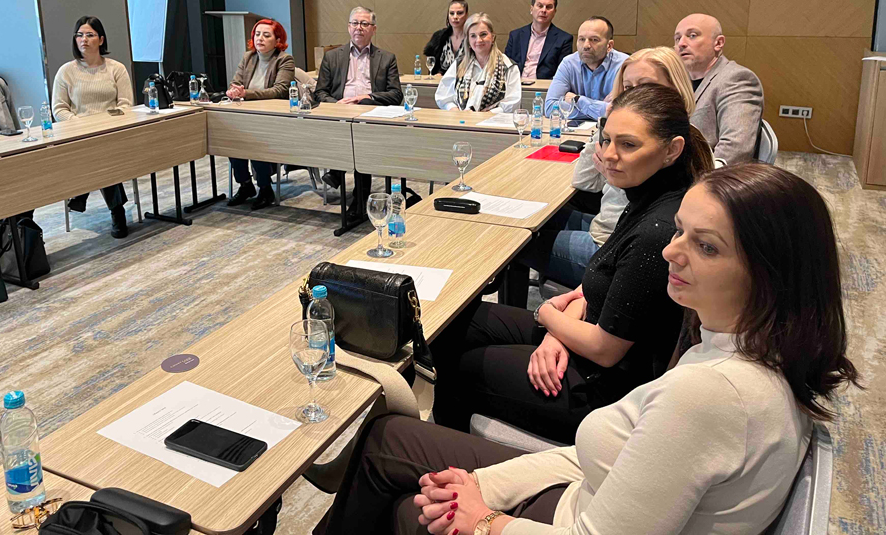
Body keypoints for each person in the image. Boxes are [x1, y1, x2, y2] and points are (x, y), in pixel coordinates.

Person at [316, 163, 859, 535]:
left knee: (407, 506)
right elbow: (613, 457)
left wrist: (485, 521)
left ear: (768, 275)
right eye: (679, 232)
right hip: (585, 493)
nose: (671, 252)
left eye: (706, 247)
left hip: (578, 512)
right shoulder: (750, 351)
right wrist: (484, 484)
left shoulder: (711, 395)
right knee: (391, 438)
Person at [429, 85, 714, 442]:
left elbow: (605, 350)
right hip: (591, 336)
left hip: (608, 389)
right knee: (456, 323)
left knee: (458, 369)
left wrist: (549, 315)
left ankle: (450, 455)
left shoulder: (656, 229)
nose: (609, 155)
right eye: (606, 140)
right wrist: (558, 332)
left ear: (672, 150)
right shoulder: (648, 196)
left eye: (628, 145)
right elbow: (597, 287)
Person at [529, 47, 697, 288]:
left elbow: (642, 235)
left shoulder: (665, 146)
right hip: (607, 227)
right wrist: (607, 126)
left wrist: (609, 168)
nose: (635, 95)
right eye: (628, 88)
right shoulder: (628, 131)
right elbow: (583, 181)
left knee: (518, 243)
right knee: (538, 217)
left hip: (611, 244)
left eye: (647, 86)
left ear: (675, 90)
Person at [315, 6, 402, 217]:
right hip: (339, 114)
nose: (359, 28)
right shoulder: (332, 57)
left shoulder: (386, 58)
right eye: (355, 23)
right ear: (348, 27)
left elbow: (395, 94)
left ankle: (351, 188)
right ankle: (353, 191)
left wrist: (365, 98)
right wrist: (336, 104)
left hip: (370, 115)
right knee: (351, 133)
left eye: (364, 24)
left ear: (374, 29)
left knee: (360, 135)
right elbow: (320, 92)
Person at [52, 16, 134, 238]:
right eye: (79, 35)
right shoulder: (66, 71)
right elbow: (59, 109)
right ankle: (117, 210)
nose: (84, 39)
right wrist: (80, 125)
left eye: (89, 35)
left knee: (102, 151)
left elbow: (126, 105)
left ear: (101, 40)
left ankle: (82, 192)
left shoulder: (116, 69)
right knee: (98, 153)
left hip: (112, 132)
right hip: (79, 135)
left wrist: (106, 124)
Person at [674, 13, 764, 164]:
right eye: (677, 38)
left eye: (692, 35)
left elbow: (736, 148)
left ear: (718, 43)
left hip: (706, 173)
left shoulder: (737, 78)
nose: (681, 43)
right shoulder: (680, 81)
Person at [226, 19, 295, 210]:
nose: (260, 39)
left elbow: (279, 90)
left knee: (253, 138)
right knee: (230, 139)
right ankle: (245, 185)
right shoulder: (248, 57)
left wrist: (246, 93)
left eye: (266, 35)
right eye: (257, 34)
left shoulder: (284, 59)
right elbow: (236, 83)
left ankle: (265, 189)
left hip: (274, 117)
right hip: (247, 115)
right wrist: (234, 91)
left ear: (277, 40)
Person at [544, 17, 628, 121]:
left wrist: (578, 100)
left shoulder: (624, 65)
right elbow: (550, 108)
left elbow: (624, 112)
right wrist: (601, 109)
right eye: (582, 39)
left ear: (609, 46)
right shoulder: (569, 63)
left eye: (594, 40)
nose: (586, 46)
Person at [435, 14, 521, 113]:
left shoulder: (508, 66)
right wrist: (456, 112)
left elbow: (512, 102)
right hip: (462, 119)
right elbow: (443, 96)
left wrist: (486, 115)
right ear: (468, 41)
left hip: (495, 120)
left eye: (483, 34)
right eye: (473, 36)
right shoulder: (459, 64)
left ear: (493, 37)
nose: (478, 40)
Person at [504, 0, 573, 81]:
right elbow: (506, 66)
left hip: (545, 87)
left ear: (554, 12)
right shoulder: (515, 35)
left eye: (549, 7)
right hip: (517, 85)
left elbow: (563, 74)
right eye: (540, 6)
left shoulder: (564, 39)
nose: (544, 10)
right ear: (531, 9)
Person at [423, 0, 468, 75]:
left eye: (460, 13)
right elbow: (432, 66)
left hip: (467, 80)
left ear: (466, 15)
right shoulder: (439, 37)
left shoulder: (472, 38)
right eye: (452, 13)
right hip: (442, 80)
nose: (455, 17)